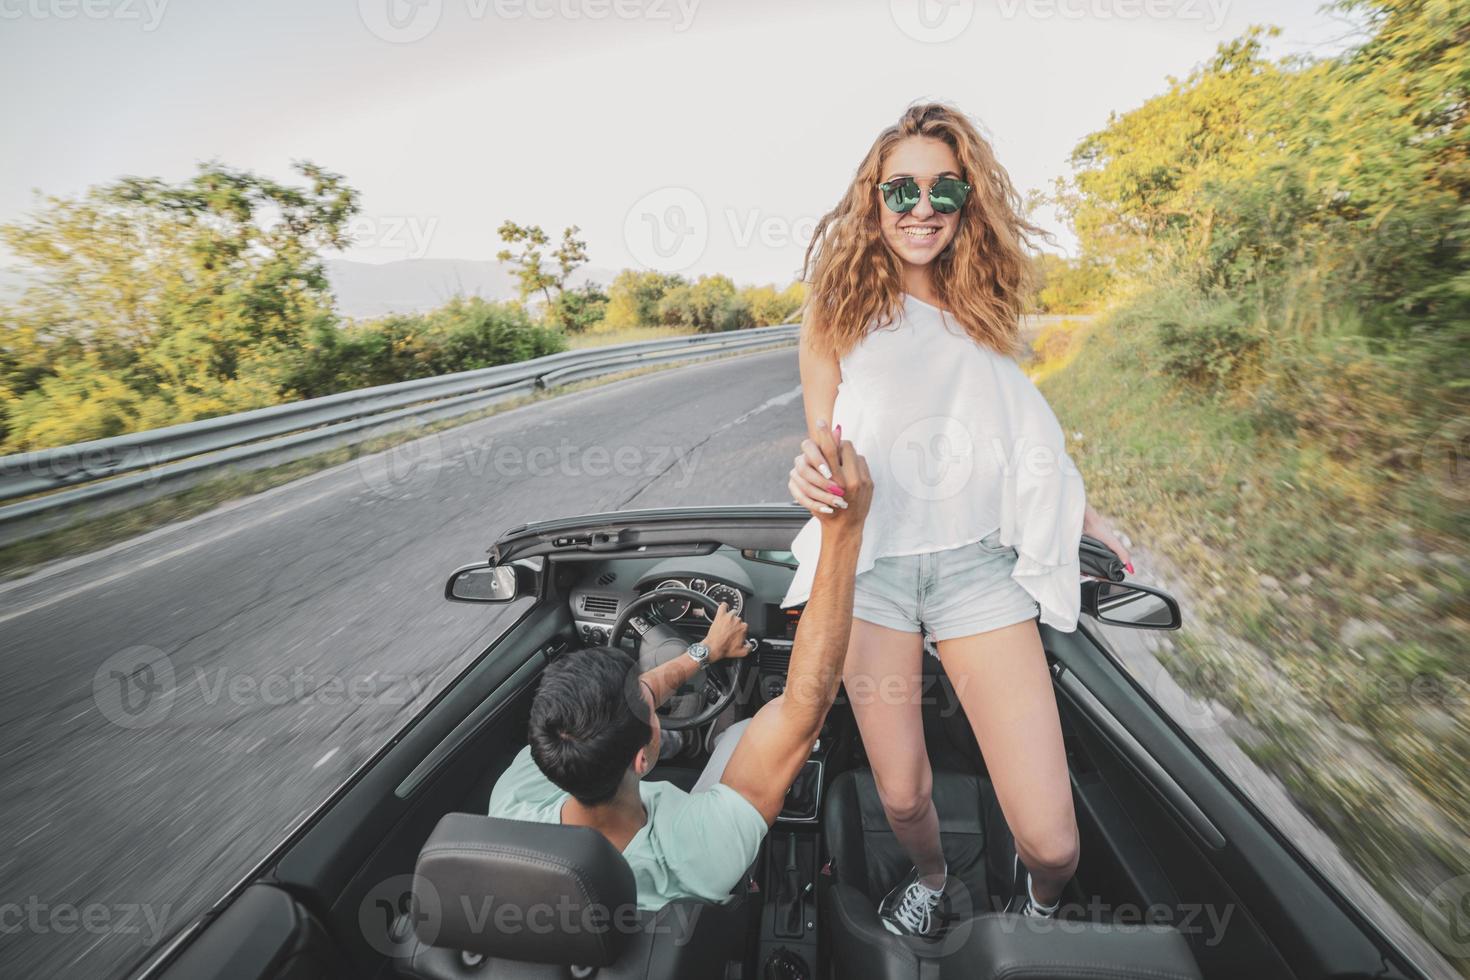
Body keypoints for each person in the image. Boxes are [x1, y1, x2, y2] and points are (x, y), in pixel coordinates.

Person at [781, 103, 1135, 938]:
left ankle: (1036, 905)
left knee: (1053, 845)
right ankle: (935, 877)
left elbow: (1018, 427)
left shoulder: (982, 309)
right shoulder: (834, 317)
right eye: (900, 188)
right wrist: (810, 477)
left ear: (967, 199)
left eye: (944, 188)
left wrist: (1085, 511)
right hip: (872, 572)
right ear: (874, 199)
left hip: (978, 571)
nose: (921, 206)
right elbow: (825, 449)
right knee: (901, 794)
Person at [488, 427, 872, 910]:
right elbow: (804, 705)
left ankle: (682, 734)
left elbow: (629, 703)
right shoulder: (697, 849)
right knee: (740, 733)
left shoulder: (512, 803)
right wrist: (843, 532)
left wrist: (704, 652)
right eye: (647, 706)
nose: (647, 692)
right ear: (640, 760)